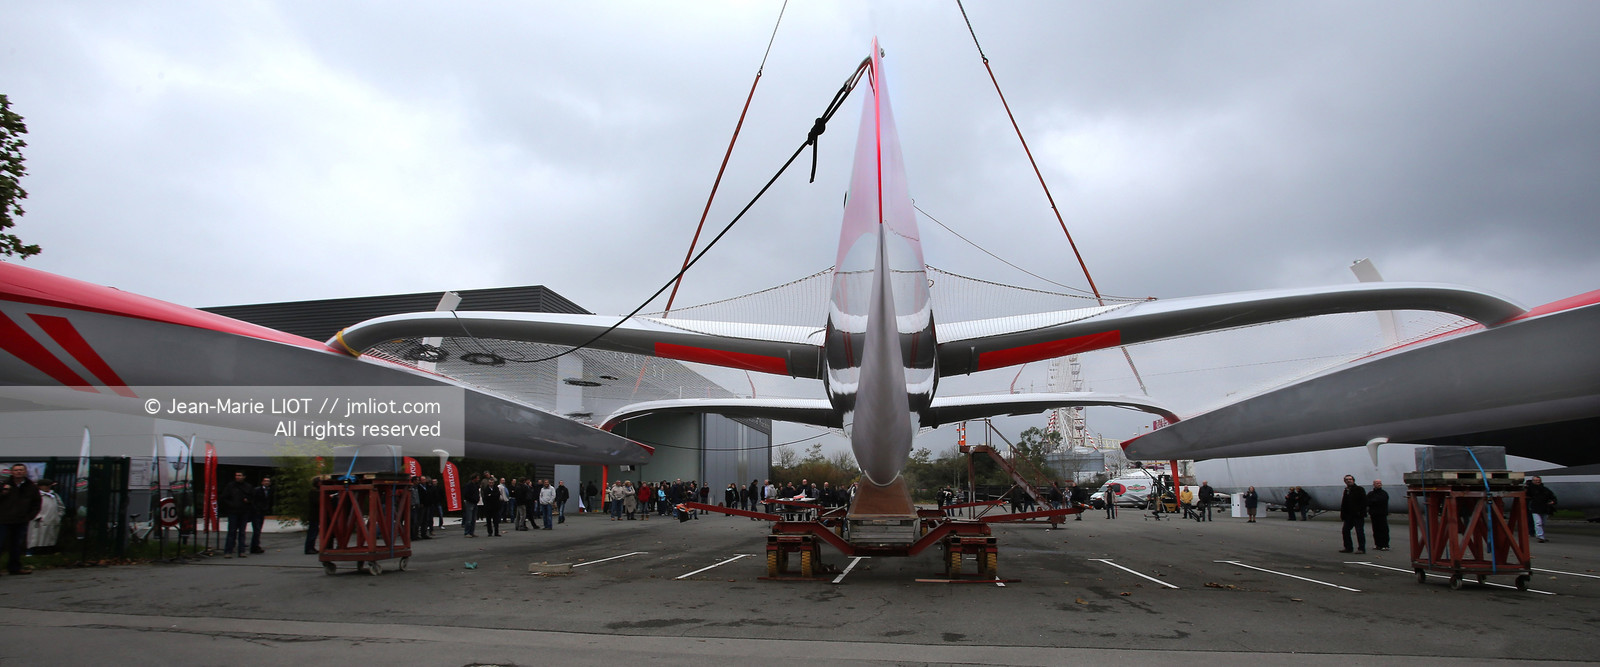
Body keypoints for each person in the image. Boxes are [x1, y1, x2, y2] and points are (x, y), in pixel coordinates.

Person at [0, 463, 41, 574]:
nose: (19, 472)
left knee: (17, 545)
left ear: (25, 472)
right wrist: (3, 493)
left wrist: (30, 516)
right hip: (3, 520)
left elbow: (36, 503)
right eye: (16, 470)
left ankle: (14, 568)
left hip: (21, 520)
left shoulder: (30, 486)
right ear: (12, 472)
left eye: (21, 470)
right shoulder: (4, 484)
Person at [220, 471, 252, 558]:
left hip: (244, 511)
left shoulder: (248, 486)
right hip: (233, 511)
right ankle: (228, 551)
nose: (237, 477)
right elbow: (224, 497)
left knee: (242, 532)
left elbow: (252, 498)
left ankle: (241, 551)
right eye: (236, 475)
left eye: (239, 475)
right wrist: (231, 505)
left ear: (244, 477)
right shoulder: (230, 486)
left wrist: (248, 500)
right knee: (231, 531)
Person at [27, 479, 63, 553]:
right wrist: (37, 516)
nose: (48, 487)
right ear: (40, 486)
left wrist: (58, 516)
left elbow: (61, 507)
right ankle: (33, 552)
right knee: (36, 538)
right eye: (46, 485)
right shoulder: (36, 495)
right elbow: (30, 507)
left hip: (53, 520)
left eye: (49, 485)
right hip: (39, 521)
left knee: (50, 537)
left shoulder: (54, 495)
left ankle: (48, 551)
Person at [1338, 474, 1367, 554]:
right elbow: (1344, 504)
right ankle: (1348, 547)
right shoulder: (1346, 490)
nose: (1348, 481)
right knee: (1345, 531)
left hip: (1358, 515)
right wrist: (1343, 514)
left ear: (1353, 480)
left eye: (1350, 479)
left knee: (1359, 532)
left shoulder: (1359, 489)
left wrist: (1361, 512)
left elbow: (1364, 502)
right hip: (1348, 515)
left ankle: (1361, 548)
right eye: (1347, 480)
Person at [1526, 476, 1557, 543]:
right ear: (1533, 481)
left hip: (1544, 508)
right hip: (1535, 508)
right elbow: (1526, 494)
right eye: (1536, 480)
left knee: (1543, 523)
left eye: (1539, 480)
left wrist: (1553, 501)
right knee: (1538, 523)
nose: (1538, 481)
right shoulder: (1530, 489)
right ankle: (1540, 537)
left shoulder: (1545, 490)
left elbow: (1553, 497)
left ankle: (1540, 535)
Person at [247, 476, 274, 554]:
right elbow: (253, 500)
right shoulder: (257, 490)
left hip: (262, 512)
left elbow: (268, 500)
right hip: (256, 512)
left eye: (268, 481)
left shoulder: (270, 490)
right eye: (265, 481)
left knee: (258, 529)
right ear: (262, 482)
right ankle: (254, 547)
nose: (266, 482)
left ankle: (256, 546)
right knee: (257, 529)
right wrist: (256, 509)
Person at [1366, 480, 1390, 550]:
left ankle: (1385, 544)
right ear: (1374, 484)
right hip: (1374, 514)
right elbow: (1367, 502)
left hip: (1382, 514)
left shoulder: (1384, 493)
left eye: (1380, 483)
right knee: (1376, 530)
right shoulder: (1371, 493)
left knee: (1384, 530)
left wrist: (1373, 501)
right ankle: (1378, 544)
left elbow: (1381, 501)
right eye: (1377, 483)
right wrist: (1373, 501)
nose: (1379, 484)